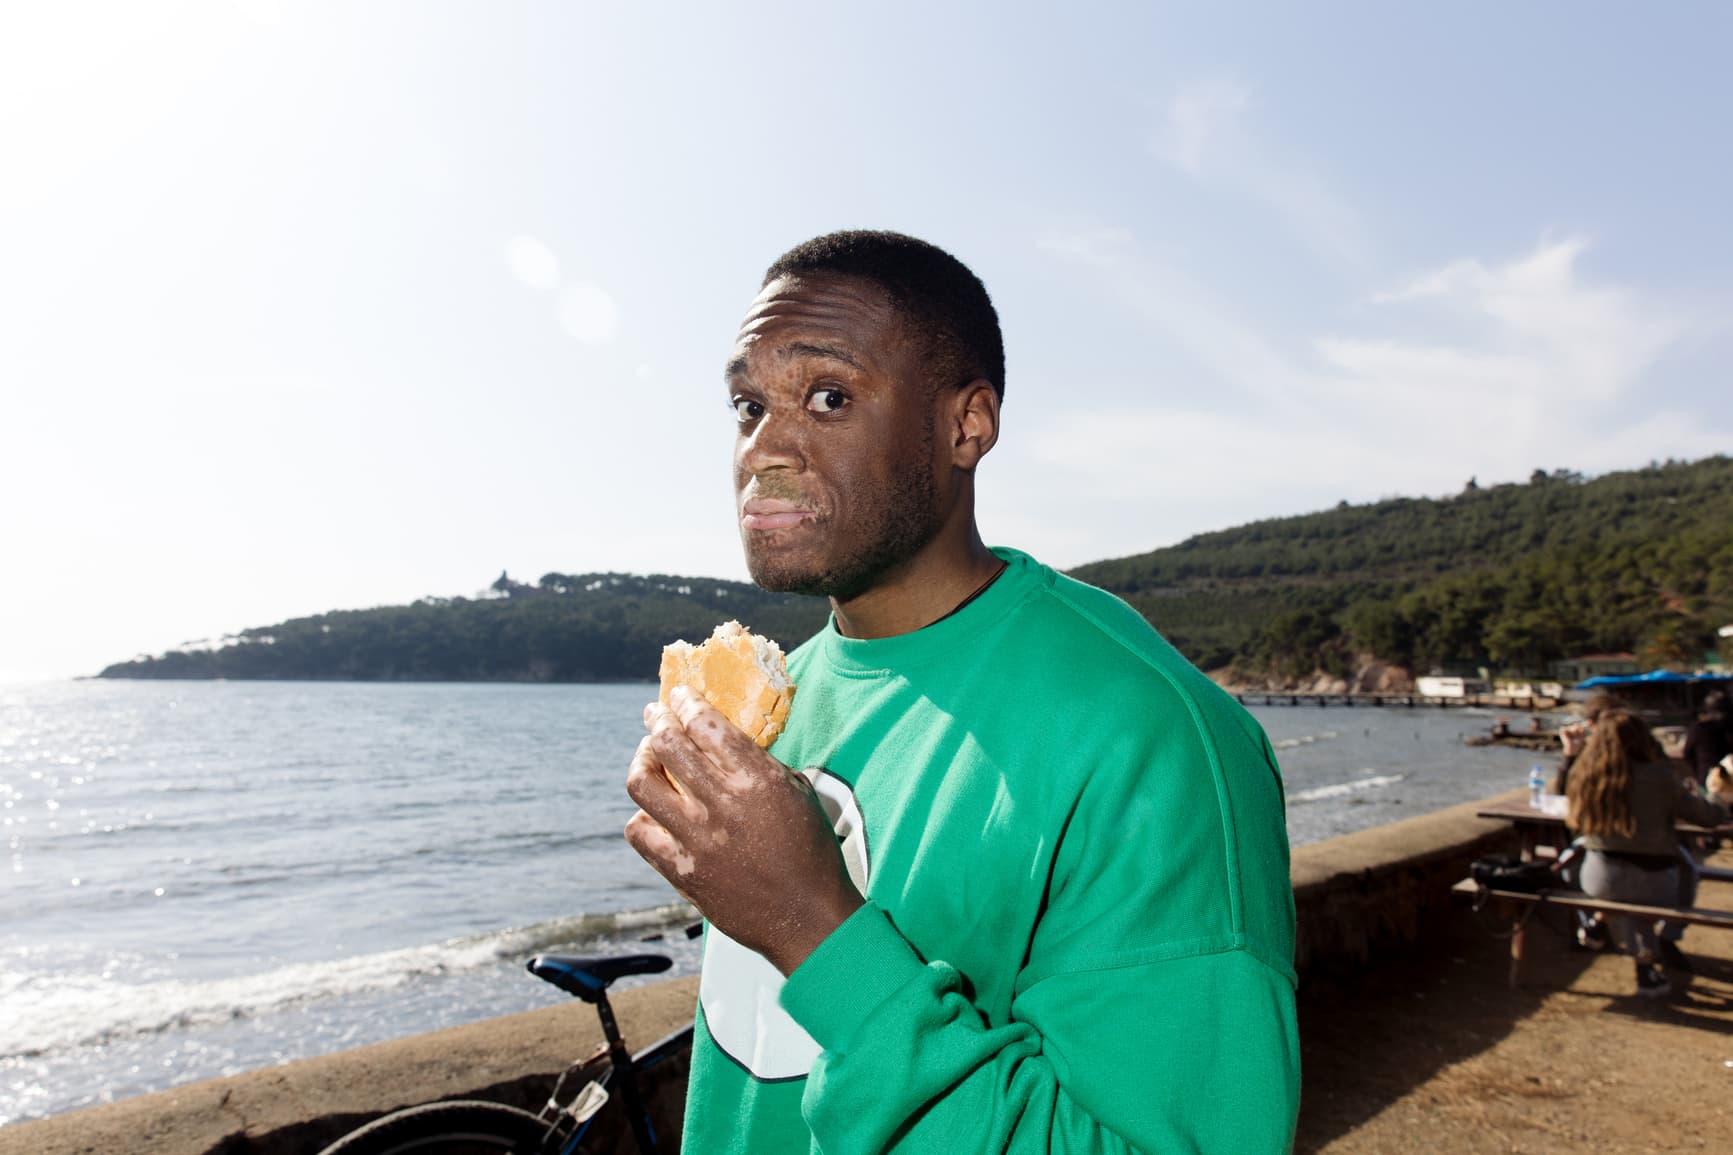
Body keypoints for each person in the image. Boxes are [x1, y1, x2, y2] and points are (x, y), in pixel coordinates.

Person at [623, 231, 1299, 1152]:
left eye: (827, 397)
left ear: (966, 425)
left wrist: (813, 927)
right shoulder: (776, 697)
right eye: (747, 405)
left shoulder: (1152, 737)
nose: (764, 448)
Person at [1565, 710, 1733, 997]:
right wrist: (1720, 790)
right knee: (1670, 877)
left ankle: (1600, 925)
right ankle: (1653, 956)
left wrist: (1570, 754)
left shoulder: (1584, 775)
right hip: (1654, 883)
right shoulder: (1660, 778)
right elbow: (1709, 817)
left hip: (1597, 878)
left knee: (1620, 884)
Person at [1682, 690, 1733, 787]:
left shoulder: (1699, 728)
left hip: (1708, 781)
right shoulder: (1701, 728)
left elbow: (1688, 754)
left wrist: (1697, 774)